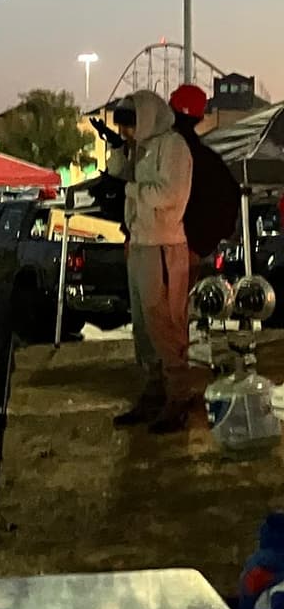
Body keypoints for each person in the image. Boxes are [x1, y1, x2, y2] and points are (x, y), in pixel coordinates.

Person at [108, 90, 198, 433]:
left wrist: (132, 188)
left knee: (164, 325)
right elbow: (119, 176)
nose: (127, 132)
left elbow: (169, 194)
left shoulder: (172, 147)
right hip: (142, 242)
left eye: (129, 125)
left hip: (163, 245)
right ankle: (154, 393)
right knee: (144, 329)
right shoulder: (141, 146)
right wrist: (120, 150)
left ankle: (178, 398)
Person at [169, 83, 241, 276]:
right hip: (199, 247)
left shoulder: (172, 154)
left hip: (175, 244)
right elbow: (231, 196)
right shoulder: (209, 160)